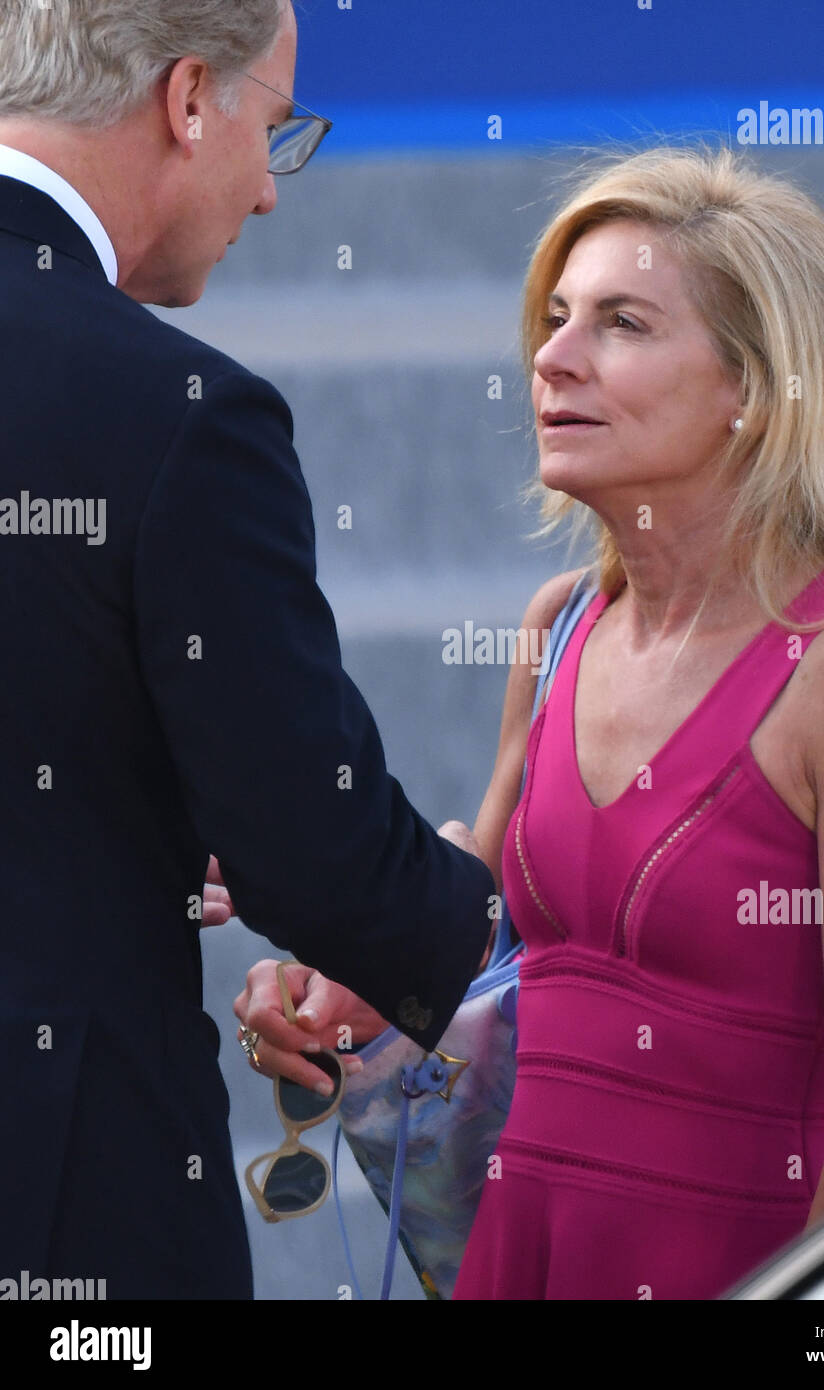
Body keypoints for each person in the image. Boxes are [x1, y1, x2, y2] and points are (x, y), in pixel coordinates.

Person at [236, 145, 824, 1299]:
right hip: (521, 1251)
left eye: (621, 323)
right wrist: (333, 988)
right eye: (555, 317)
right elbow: (473, 929)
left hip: (755, 1265)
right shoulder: (559, 624)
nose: (552, 357)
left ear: (755, 388)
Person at [0, 0, 492, 1300]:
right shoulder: (175, 414)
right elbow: (309, 844)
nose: (270, 194)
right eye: (275, 127)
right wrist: (504, 948)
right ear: (184, 99)